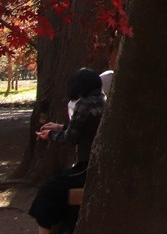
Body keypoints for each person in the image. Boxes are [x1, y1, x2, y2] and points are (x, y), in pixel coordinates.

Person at [27, 67, 106, 233]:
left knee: (47, 191)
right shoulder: (103, 100)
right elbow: (88, 129)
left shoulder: (84, 104)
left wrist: (50, 135)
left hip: (87, 167)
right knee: (63, 197)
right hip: (99, 164)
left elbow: (71, 138)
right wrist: (60, 126)